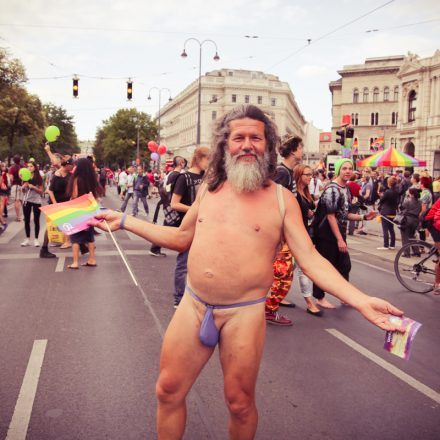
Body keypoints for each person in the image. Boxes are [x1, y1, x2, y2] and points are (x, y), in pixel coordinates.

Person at [92, 105, 404, 440]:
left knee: (239, 404)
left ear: (267, 146)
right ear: (225, 145)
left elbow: (311, 259)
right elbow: (181, 238)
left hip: (243, 314)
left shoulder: (282, 200)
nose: (247, 144)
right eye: (238, 137)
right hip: (194, 305)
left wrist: (361, 301)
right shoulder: (208, 190)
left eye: (255, 137)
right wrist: (124, 220)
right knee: (168, 391)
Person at [311, 159, 377, 309]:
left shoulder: (345, 188)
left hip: (338, 231)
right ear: (339, 170)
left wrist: (364, 217)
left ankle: (343, 295)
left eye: (350, 168)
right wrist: (340, 240)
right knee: (325, 267)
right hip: (327, 234)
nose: (347, 171)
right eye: (344, 168)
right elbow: (330, 216)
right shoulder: (332, 189)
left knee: (344, 266)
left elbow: (344, 214)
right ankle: (319, 297)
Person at [265, 135, 303, 326]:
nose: (303, 150)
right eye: (301, 147)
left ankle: (266, 306)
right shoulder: (282, 172)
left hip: (284, 234)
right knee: (283, 275)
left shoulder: (288, 172)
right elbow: (273, 203)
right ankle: (269, 310)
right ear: (294, 150)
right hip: (280, 235)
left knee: (282, 274)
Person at [170, 147, 211, 307]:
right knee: (183, 264)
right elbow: (174, 204)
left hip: (205, 227)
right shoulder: (183, 177)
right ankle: (179, 299)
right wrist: (196, 210)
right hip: (187, 226)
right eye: (208, 160)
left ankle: (197, 297)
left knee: (201, 264)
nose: (210, 164)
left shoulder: (208, 178)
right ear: (199, 159)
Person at [293, 164, 322, 316]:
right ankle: (309, 302)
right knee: (301, 270)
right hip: (295, 236)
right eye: (307, 175)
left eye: (312, 174)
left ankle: (271, 297)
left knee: (295, 270)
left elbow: (309, 210)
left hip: (304, 235)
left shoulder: (305, 192)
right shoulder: (294, 194)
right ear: (299, 176)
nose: (311, 177)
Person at [65, 158, 101, 269]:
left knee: (75, 237)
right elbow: (95, 196)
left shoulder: (77, 179)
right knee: (89, 237)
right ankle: (92, 259)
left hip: (78, 211)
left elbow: (75, 196)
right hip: (89, 211)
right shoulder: (92, 179)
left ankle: (75, 262)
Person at [150, 156, 187, 257]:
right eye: (184, 163)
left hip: (170, 205)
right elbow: (171, 190)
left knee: (168, 227)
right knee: (169, 228)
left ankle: (155, 248)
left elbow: (167, 188)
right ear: (181, 163)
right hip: (173, 206)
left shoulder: (171, 174)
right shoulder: (177, 175)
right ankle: (155, 248)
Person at [40, 157, 74, 258]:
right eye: (72, 165)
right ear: (67, 165)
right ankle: (44, 249)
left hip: (66, 204)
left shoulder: (70, 175)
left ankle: (81, 244)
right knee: (51, 226)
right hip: (56, 204)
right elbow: (50, 191)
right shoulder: (57, 175)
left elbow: (71, 188)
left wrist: (71, 198)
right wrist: (55, 204)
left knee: (71, 222)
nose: (73, 166)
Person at [21, 162, 44, 247]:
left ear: (35, 167)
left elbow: (41, 191)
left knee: (36, 220)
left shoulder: (39, 178)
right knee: (26, 220)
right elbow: (23, 191)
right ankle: (27, 239)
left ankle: (36, 239)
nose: (29, 168)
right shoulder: (25, 177)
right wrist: (23, 187)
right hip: (27, 200)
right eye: (28, 166)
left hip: (36, 201)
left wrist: (33, 187)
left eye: (31, 166)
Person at [377, 176, 400, 250]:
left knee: (385, 229)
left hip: (386, 211)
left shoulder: (387, 192)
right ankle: (392, 245)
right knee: (391, 229)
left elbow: (382, 201)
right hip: (393, 211)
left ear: (389, 183)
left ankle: (385, 245)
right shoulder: (397, 191)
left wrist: (381, 196)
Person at [399, 188, 422, 257]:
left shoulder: (407, 201)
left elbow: (402, 210)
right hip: (415, 220)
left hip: (407, 220)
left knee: (405, 236)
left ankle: (406, 253)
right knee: (412, 236)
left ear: (411, 194)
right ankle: (416, 251)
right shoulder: (420, 202)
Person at [8, 155, 23, 221]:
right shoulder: (23, 167)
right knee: (21, 200)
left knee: (16, 201)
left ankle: (18, 217)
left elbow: (11, 178)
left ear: (13, 160)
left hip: (15, 185)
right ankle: (25, 215)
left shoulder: (12, 168)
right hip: (22, 185)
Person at [0, 162, 10, 228]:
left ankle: (1, 220)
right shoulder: (1, 173)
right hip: (1, 191)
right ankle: (1, 220)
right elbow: (0, 183)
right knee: (1, 205)